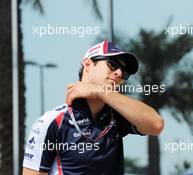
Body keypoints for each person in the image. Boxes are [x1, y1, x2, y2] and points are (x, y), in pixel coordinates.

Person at [23, 40, 164, 175]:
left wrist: (100, 91)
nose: (119, 73)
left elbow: (156, 125)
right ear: (88, 64)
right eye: (113, 64)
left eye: (124, 72)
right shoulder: (52, 122)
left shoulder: (117, 115)